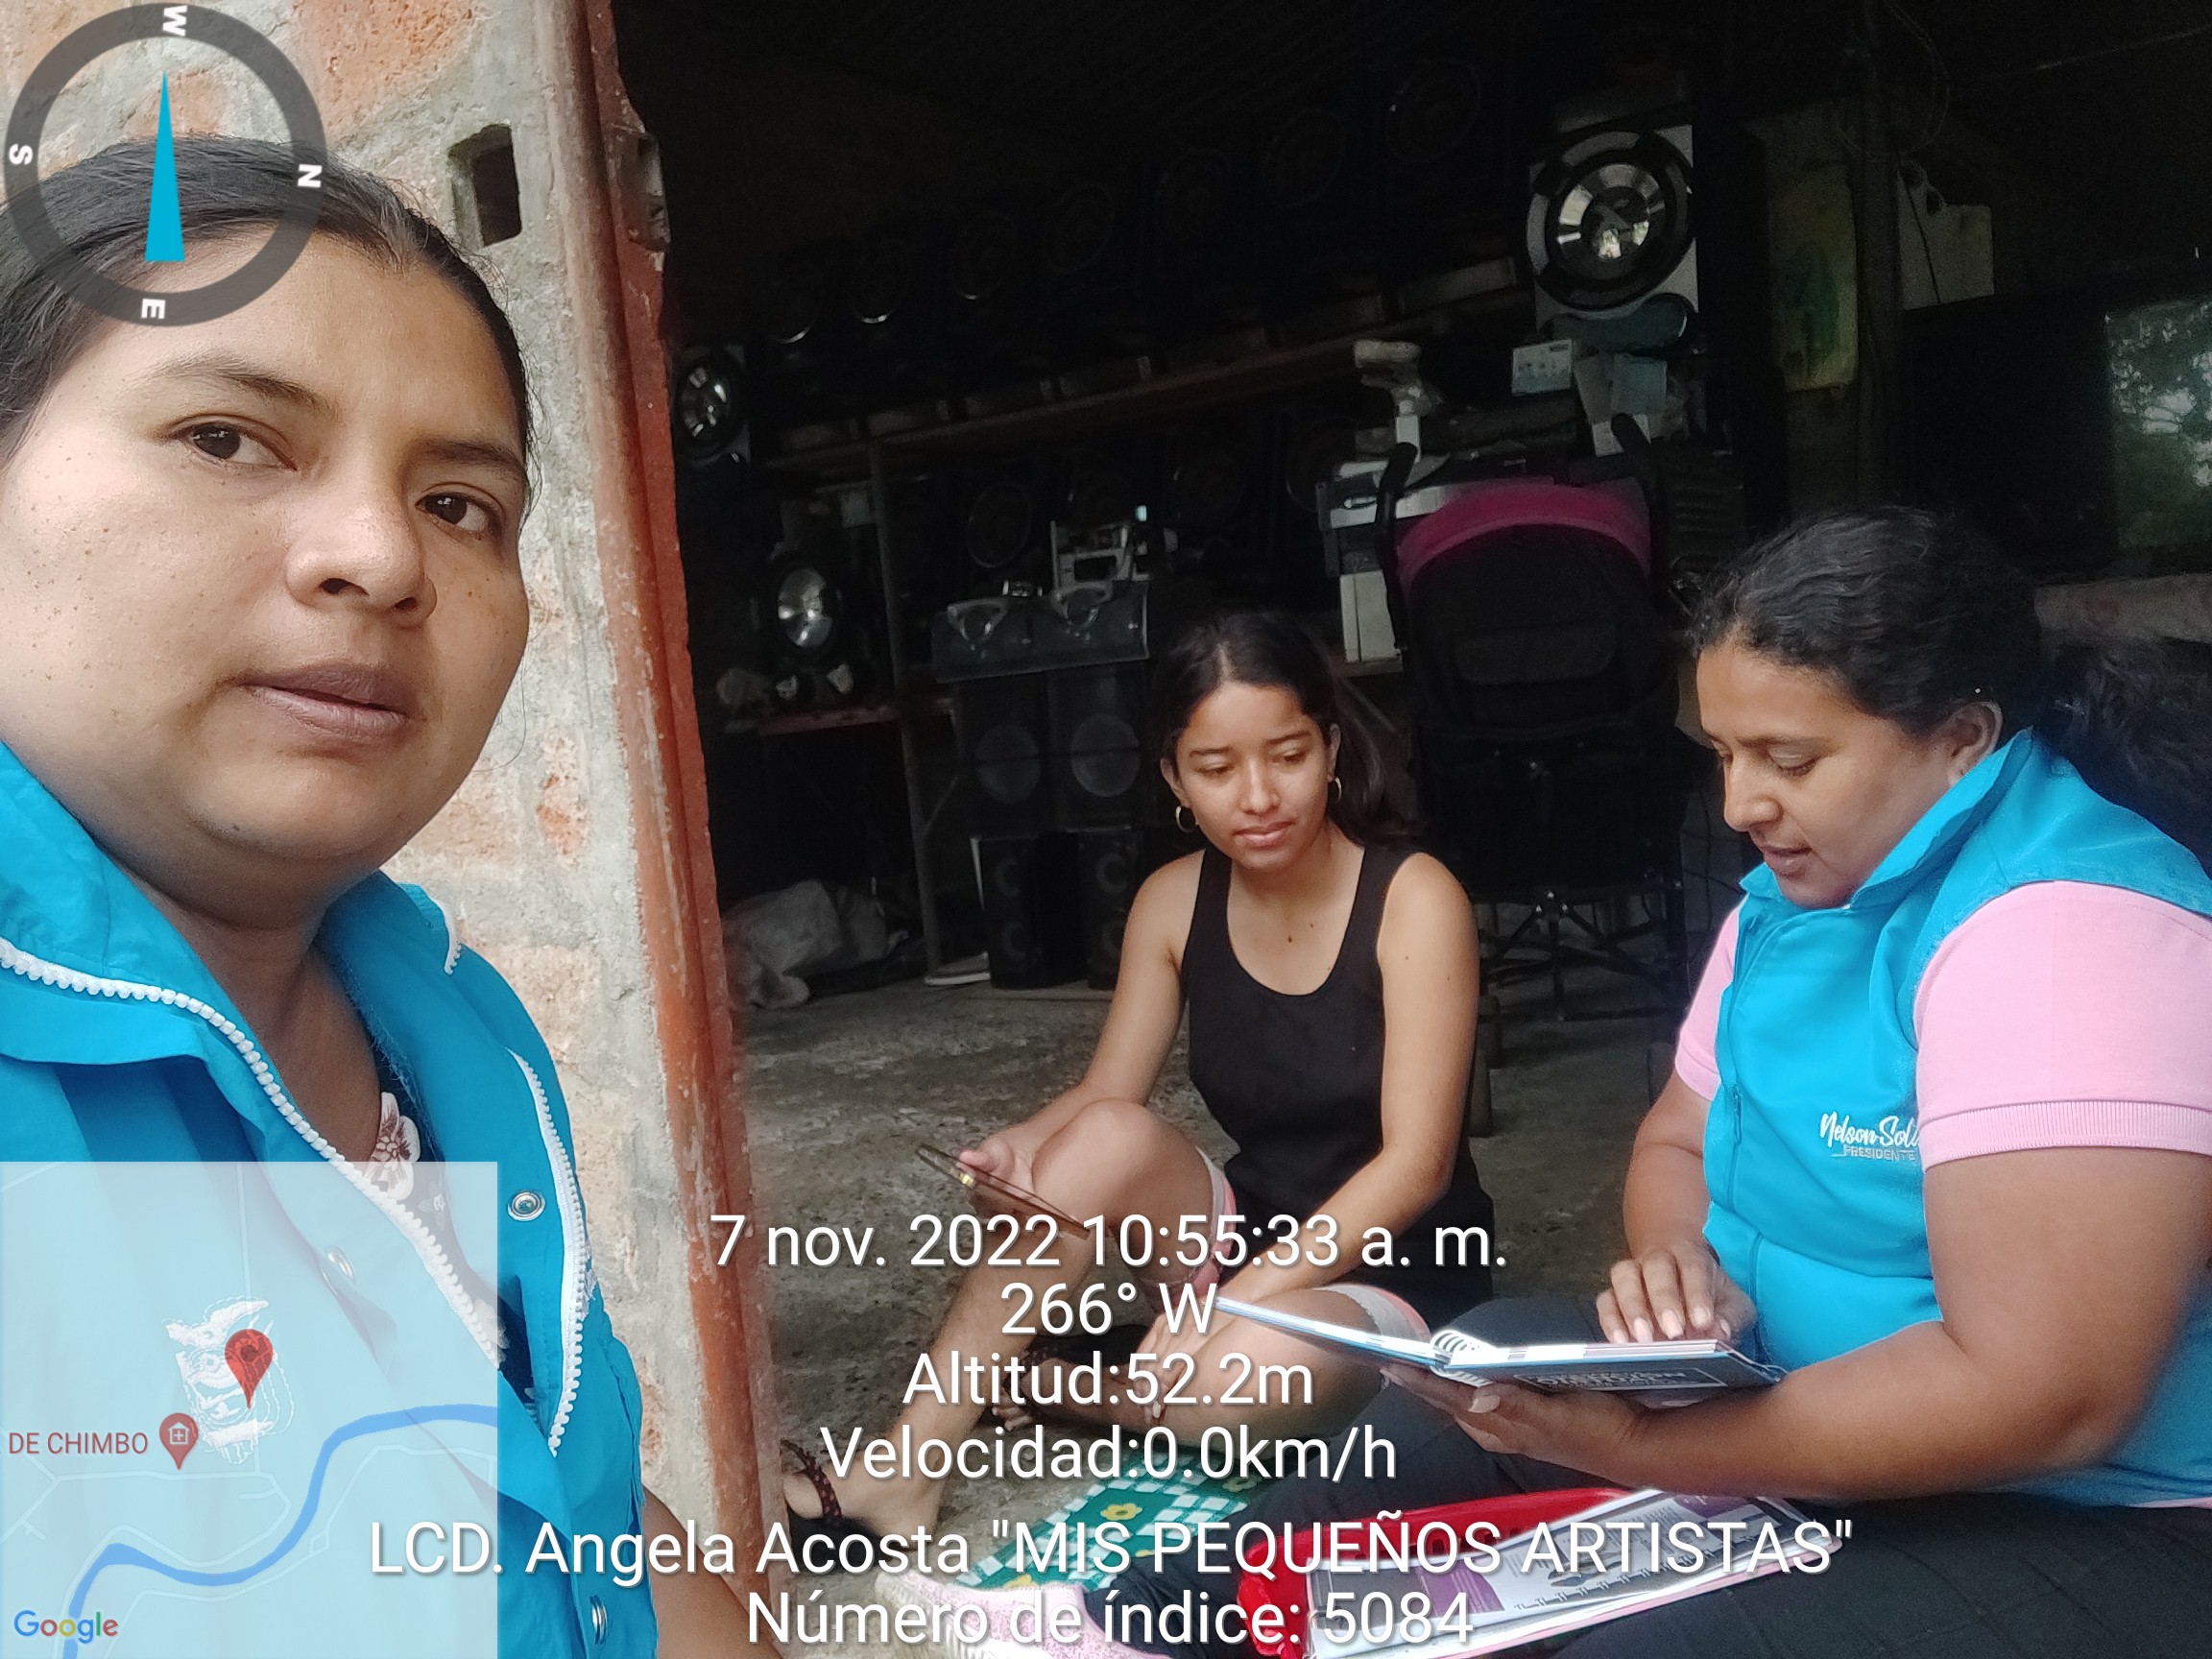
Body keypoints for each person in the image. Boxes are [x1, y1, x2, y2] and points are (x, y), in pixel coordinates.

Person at [879, 506, 2212, 1657]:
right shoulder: (1799, 892)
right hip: (1781, 1391)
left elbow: (2045, 1398)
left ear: (1962, 739)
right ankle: (1133, 1621)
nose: (1739, 805)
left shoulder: (2062, 932)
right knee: (1464, 1396)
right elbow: (1675, 1139)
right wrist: (1674, 1269)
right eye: (1724, 755)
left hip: (2074, 1510)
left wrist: (1649, 1450)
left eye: (1789, 760)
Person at [0, 138, 762, 1658]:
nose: (381, 557)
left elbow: (554, 1507)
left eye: (462, 504)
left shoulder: (448, 1018)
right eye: (228, 437)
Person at [786, 611, 1496, 1539]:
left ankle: (1062, 1385)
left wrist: (1230, 1305)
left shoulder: (1415, 899)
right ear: (1174, 779)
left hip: (1396, 1274)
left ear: (1330, 749)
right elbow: (1106, 1097)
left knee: (1241, 1376)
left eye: (1286, 756)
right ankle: (908, 1471)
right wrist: (1019, 1151)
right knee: (1101, 1142)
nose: (1258, 796)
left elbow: (1416, 1167)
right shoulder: (1172, 901)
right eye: (1216, 768)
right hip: (1248, 1233)